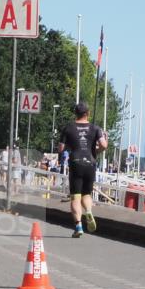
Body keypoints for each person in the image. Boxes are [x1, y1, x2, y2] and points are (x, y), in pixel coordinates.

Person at [58, 102, 107, 238]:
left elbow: (61, 148)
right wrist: (96, 151)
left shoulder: (68, 128)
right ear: (88, 113)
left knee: (75, 196)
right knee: (86, 194)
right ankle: (89, 211)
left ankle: (78, 226)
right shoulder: (95, 128)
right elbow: (103, 145)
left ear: (75, 113)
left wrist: (65, 151)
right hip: (90, 163)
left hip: (76, 163)